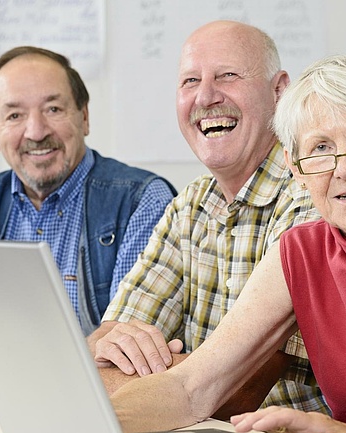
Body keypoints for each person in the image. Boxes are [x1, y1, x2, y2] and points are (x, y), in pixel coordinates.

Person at [101, 54, 346, 433]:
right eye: (321, 149)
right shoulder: (301, 252)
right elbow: (192, 388)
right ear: (296, 169)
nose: (344, 169)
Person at [0, 46, 176, 407]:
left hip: (83, 412)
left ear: (84, 117)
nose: (36, 131)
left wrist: (10, 370)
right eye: (14, 115)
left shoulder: (141, 201)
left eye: (53, 109)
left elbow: (123, 337)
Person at [87, 20, 328, 417]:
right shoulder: (191, 204)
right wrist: (123, 367)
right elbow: (109, 347)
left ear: (280, 90)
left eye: (228, 76)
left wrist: (147, 378)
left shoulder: (313, 192)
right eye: (189, 81)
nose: (206, 96)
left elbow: (236, 393)